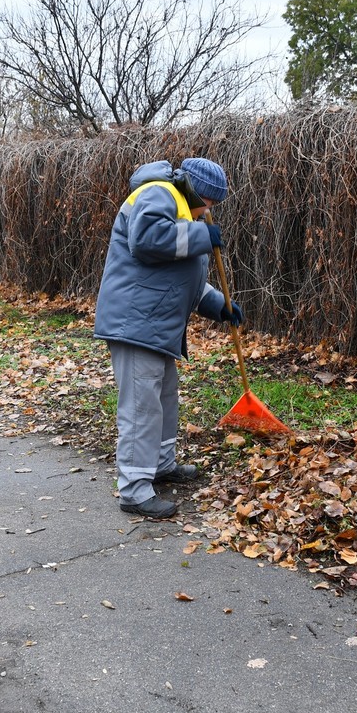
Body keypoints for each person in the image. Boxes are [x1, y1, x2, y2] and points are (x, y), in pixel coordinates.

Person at [94, 158, 243, 518]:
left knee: (164, 400)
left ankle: (160, 465)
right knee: (141, 409)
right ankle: (133, 489)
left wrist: (218, 305)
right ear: (197, 191)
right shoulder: (157, 193)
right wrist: (200, 237)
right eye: (210, 203)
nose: (210, 212)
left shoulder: (180, 210)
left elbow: (182, 281)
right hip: (136, 324)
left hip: (157, 326)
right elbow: (146, 241)